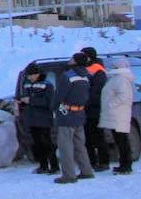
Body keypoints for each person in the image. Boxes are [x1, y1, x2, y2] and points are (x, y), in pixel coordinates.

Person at [53, 51, 95, 184]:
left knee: (65, 146)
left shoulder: (68, 76)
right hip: (80, 114)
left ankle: (69, 175)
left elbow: (59, 95)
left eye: (72, 58)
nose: (69, 59)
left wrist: (53, 107)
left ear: (75, 61)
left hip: (67, 114)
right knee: (80, 145)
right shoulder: (87, 76)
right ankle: (86, 171)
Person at [17, 62, 57, 174]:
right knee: (37, 144)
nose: (29, 77)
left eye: (31, 75)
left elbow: (49, 102)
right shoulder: (27, 84)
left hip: (43, 119)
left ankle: (54, 166)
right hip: (31, 118)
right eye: (28, 75)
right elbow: (24, 98)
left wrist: (31, 101)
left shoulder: (47, 85)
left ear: (37, 74)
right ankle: (43, 165)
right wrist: (21, 102)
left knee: (47, 143)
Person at [99, 56, 135, 175]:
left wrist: (110, 104)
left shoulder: (120, 79)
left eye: (114, 66)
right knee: (120, 140)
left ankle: (126, 165)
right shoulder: (118, 78)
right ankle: (124, 164)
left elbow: (123, 96)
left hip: (118, 114)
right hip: (117, 114)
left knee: (122, 141)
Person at [81, 46, 110, 171]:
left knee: (98, 137)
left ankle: (104, 162)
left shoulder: (98, 70)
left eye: (84, 55)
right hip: (83, 109)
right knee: (86, 138)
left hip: (94, 108)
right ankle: (91, 161)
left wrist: (84, 100)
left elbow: (97, 90)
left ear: (90, 57)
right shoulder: (81, 69)